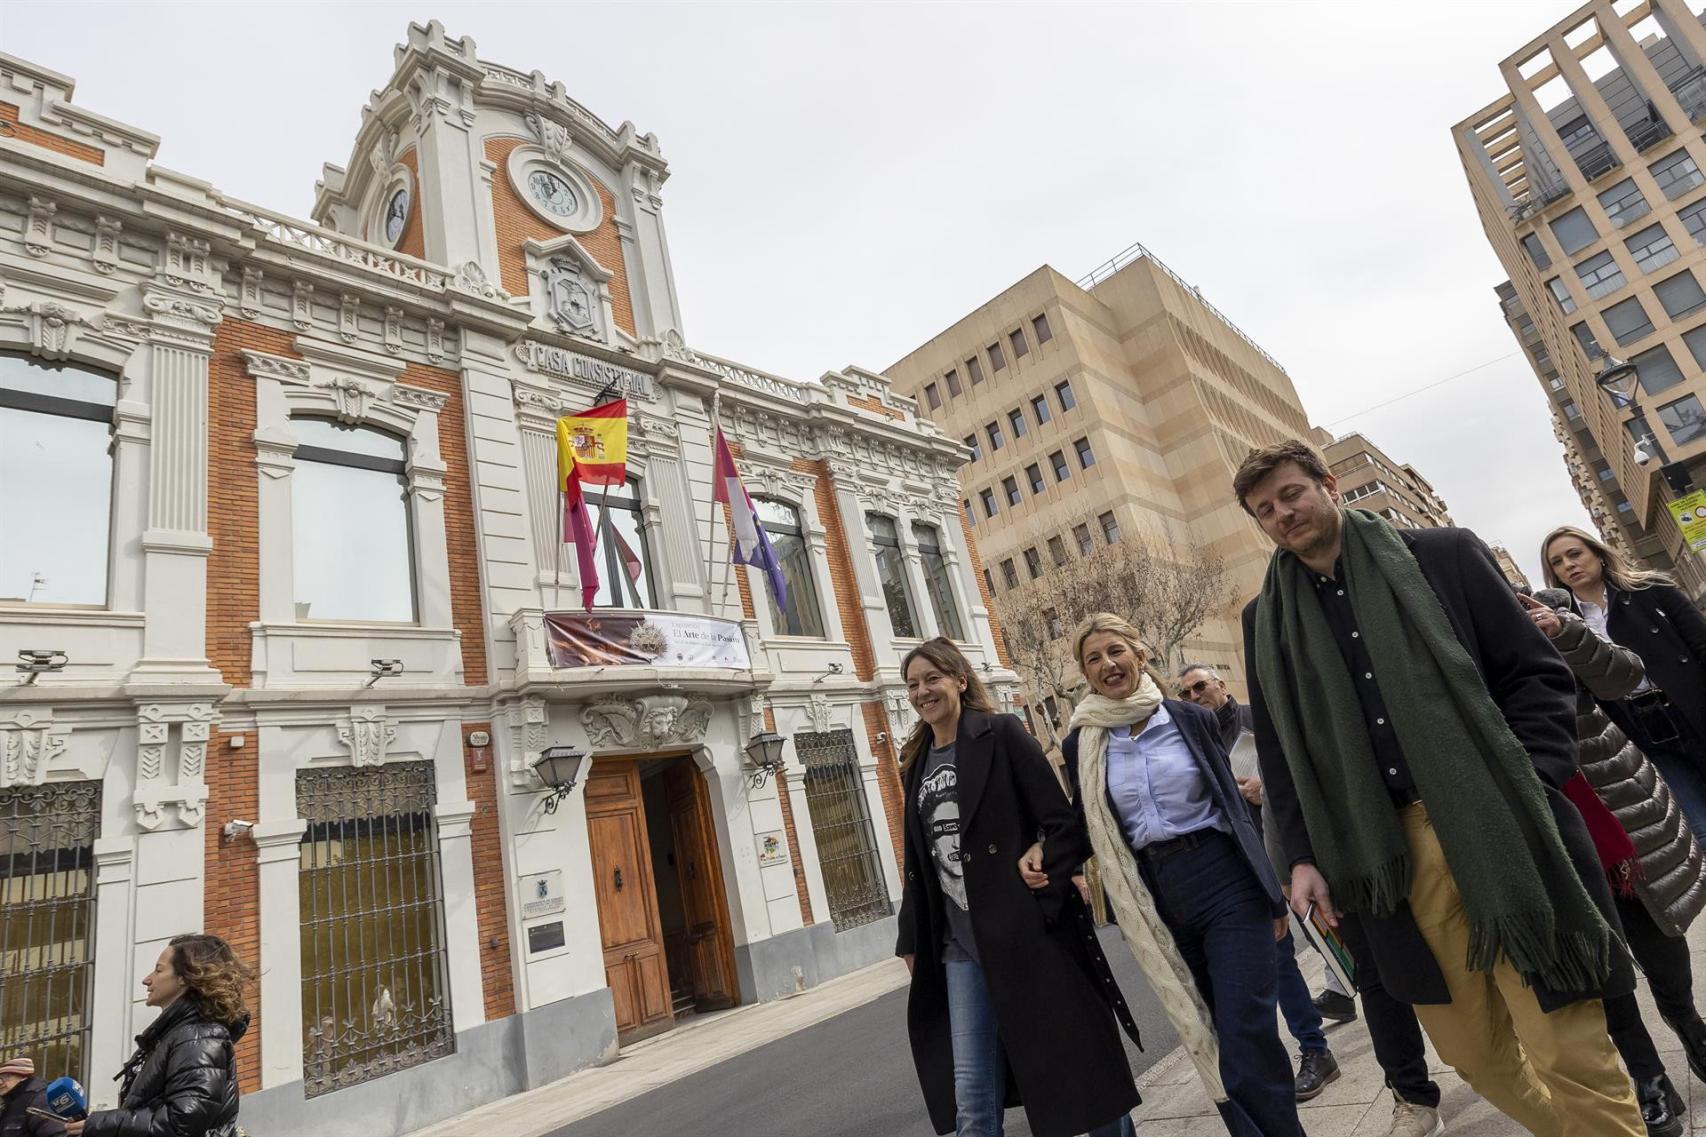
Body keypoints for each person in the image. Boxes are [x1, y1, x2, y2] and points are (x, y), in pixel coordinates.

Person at [1236, 439, 1644, 1137]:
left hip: (1498, 824)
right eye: (1265, 508)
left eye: (1291, 493)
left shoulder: (1445, 555)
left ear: (1328, 485)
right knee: (1474, 1057)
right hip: (1391, 856)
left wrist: (1532, 781)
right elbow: (1280, 751)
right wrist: (1300, 854)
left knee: (1565, 1044)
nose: (1282, 513)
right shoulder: (1264, 621)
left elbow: (1535, 674)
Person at [1035, 615, 1302, 1136]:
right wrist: (1041, 855)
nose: (1107, 664)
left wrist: (1274, 893)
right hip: (1154, 895)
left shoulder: (1187, 719)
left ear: (1138, 653)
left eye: (1115, 651)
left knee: (1247, 1032)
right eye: (1093, 659)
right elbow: (1085, 823)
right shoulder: (1083, 743)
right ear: (1084, 675)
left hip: (1224, 877)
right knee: (1209, 1033)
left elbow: (1232, 805)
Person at [895, 637, 1140, 1137]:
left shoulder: (1001, 733)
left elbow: (1061, 820)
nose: (922, 692)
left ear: (960, 680)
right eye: (913, 684)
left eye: (932, 679)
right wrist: (911, 937)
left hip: (1025, 929)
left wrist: (1044, 854)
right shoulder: (915, 760)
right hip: (957, 944)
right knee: (972, 1095)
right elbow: (920, 860)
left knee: (1076, 1064)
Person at [1525, 584, 1706, 1135]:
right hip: (1536, 814)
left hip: (1609, 798)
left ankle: (1688, 1024)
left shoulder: (1537, 610)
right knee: (1596, 951)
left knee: (1656, 932)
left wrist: (1565, 632)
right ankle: (1647, 1075)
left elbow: (1622, 676)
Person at [1175, 663, 1341, 1104]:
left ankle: (1338, 1006)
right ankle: (1315, 1049)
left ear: (1221, 685)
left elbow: (1301, 772)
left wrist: (1264, 789)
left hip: (1287, 848)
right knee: (1279, 955)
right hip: (1240, 862)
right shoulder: (1188, 739)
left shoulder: (1255, 722)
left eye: (1200, 686)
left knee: (1326, 931)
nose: (1194, 696)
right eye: (1186, 693)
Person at [1541, 526, 1706, 842]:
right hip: (1641, 731)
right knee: (1699, 827)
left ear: (1598, 555)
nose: (1569, 565)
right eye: (1558, 562)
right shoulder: (1563, 624)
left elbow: (1700, 643)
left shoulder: (1650, 589)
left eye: (1575, 554)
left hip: (1692, 706)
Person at [67, 934, 252, 1137]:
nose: (147, 980)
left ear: (184, 978)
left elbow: (182, 1124)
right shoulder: (179, 1032)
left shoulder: (197, 1038)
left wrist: (102, 1124)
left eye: (159, 970)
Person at [0, 1058, 65, 1137]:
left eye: (7, 1076)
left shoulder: (41, 1100)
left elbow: (57, 1133)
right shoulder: (9, 1102)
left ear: (23, 1077)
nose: (0, 1082)